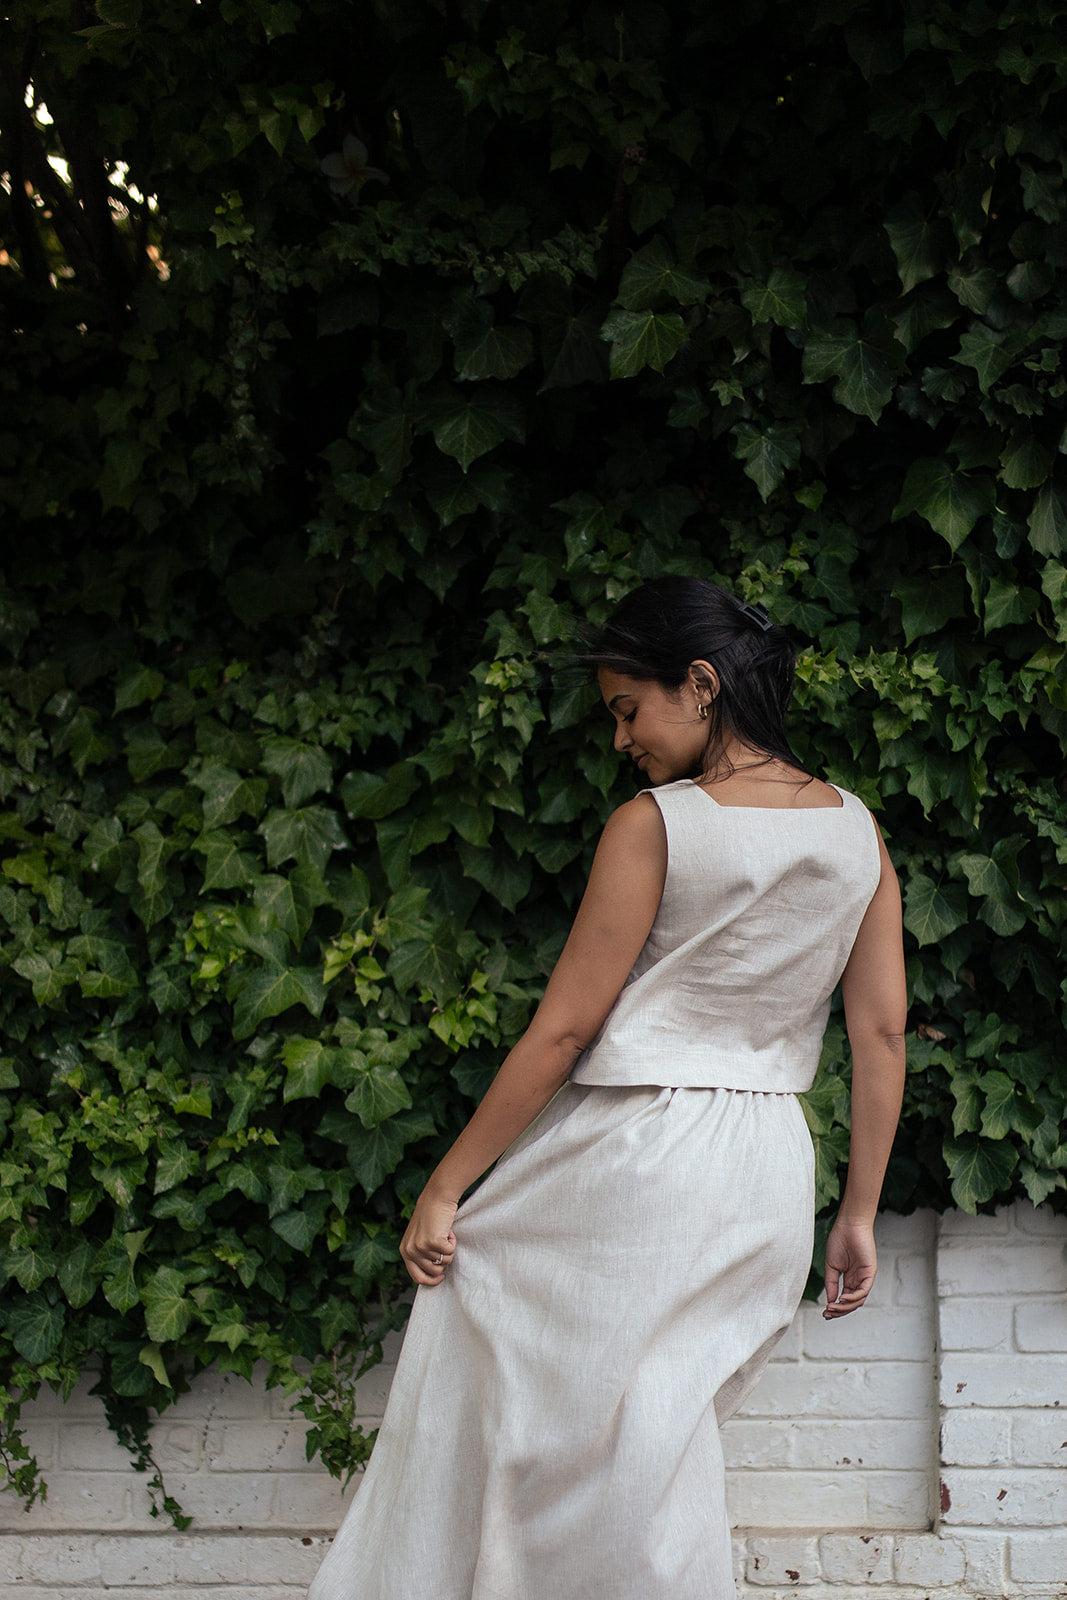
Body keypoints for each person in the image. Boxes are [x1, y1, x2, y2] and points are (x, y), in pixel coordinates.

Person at [306, 576, 907, 1600]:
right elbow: (881, 1030)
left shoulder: (657, 824)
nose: (621, 738)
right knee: (658, 1447)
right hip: (767, 1170)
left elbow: (567, 1025)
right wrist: (855, 1214)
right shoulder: (856, 832)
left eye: (628, 709)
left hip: (639, 1153)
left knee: (553, 1424)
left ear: (702, 683)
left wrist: (447, 1186)